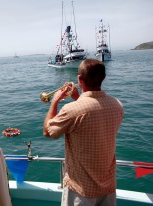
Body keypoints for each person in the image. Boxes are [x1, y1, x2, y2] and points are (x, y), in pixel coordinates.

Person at [43, 59, 124, 206]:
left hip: (81, 191)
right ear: (103, 78)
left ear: (80, 79)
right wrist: (77, 98)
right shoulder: (117, 105)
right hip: (108, 188)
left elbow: (48, 132)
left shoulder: (71, 110)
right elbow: (92, 114)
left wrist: (54, 101)